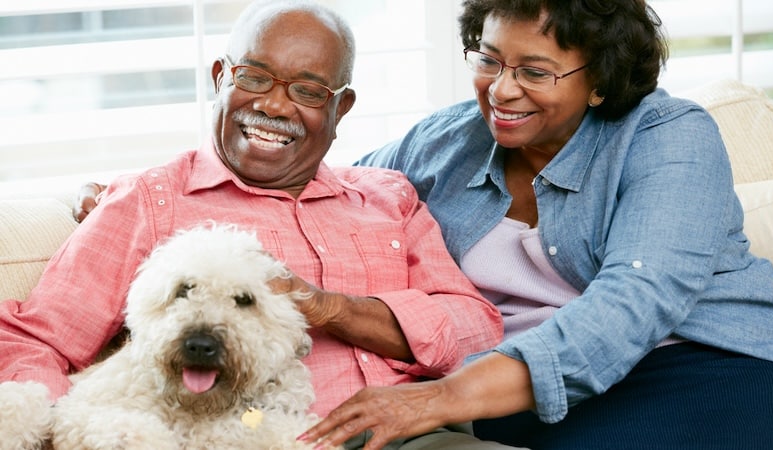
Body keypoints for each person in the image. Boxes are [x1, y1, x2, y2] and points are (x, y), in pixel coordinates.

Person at [0, 2, 522, 449]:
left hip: (414, 434)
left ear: (341, 108)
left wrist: (330, 308)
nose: (273, 105)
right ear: (219, 78)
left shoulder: (388, 197)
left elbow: (475, 323)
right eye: (253, 77)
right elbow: (34, 342)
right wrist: (66, 428)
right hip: (244, 435)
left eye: (308, 91)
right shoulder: (152, 200)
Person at [297, 1, 773, 449]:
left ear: (600, 80)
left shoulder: (667, 134)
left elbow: (636, 301)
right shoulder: (442, 142)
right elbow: (332, 198)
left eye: (535, 73)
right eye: (489, 60)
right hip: (513, 400)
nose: (501, 90)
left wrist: (442, 398)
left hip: (701, 365)